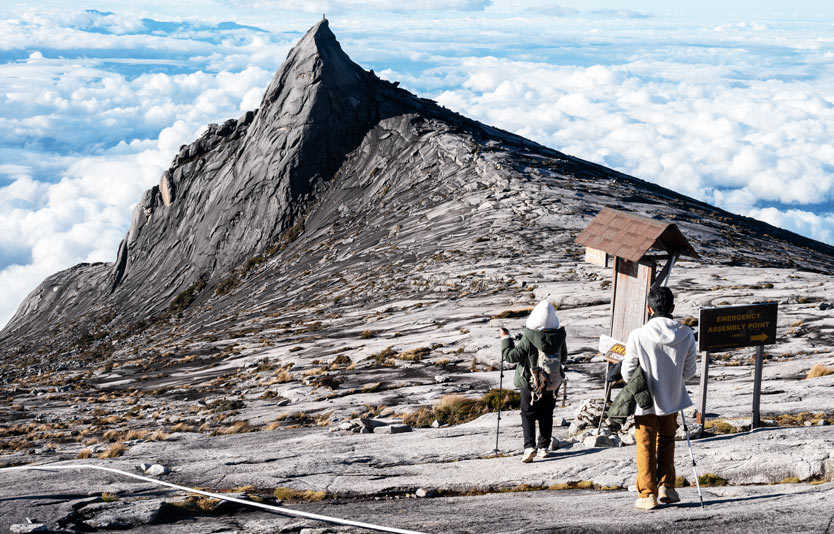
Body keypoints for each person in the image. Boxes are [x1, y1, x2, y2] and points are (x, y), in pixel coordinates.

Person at [622, 286, 697, 510]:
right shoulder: (686, 334)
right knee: (667, 440)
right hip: (672, 399)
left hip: (644, 401)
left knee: (645, 444)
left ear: (649, 308)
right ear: (672, 308)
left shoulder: (638, 335)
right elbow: (689, 372)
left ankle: (647, 495)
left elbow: (627, 372)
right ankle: (667, 487)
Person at [499, 300, 567, 463]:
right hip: (552, 383)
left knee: (528, 414)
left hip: (530, 383)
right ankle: (543, 447)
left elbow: (510, 356)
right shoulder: (559, 336)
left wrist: (505, 338)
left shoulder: (529, 337)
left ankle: (529, 447)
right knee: (547, 414)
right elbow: (563, 358)